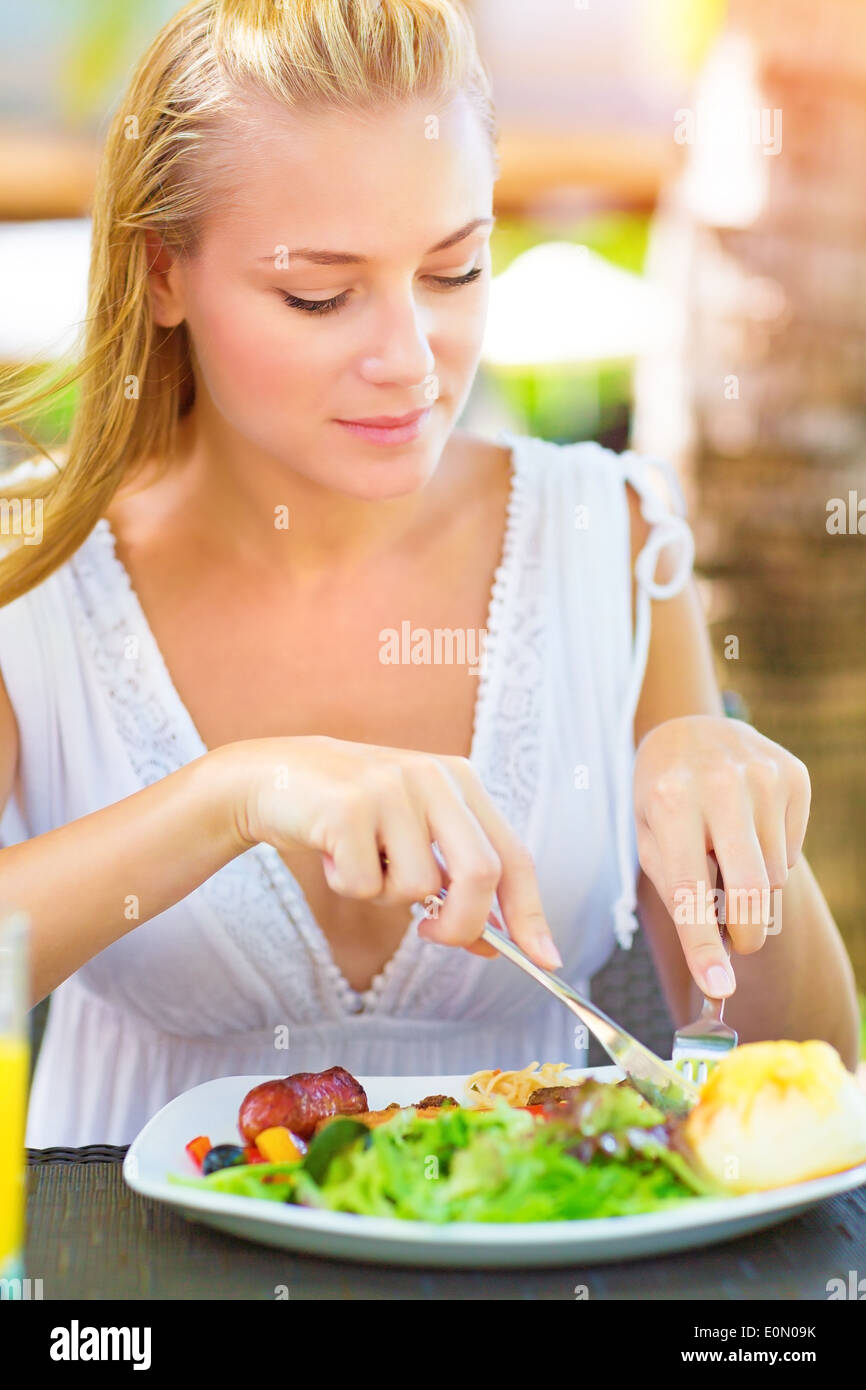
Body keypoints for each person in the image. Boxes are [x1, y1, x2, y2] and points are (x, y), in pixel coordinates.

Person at [0, 0, 858, 1147]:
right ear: (163, 274)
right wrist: (231, 795)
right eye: (318, 293)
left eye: (453, 271)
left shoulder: (602, 539)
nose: (409, 362)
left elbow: (791, 1086)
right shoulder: (34, 571)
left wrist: (751, 841)